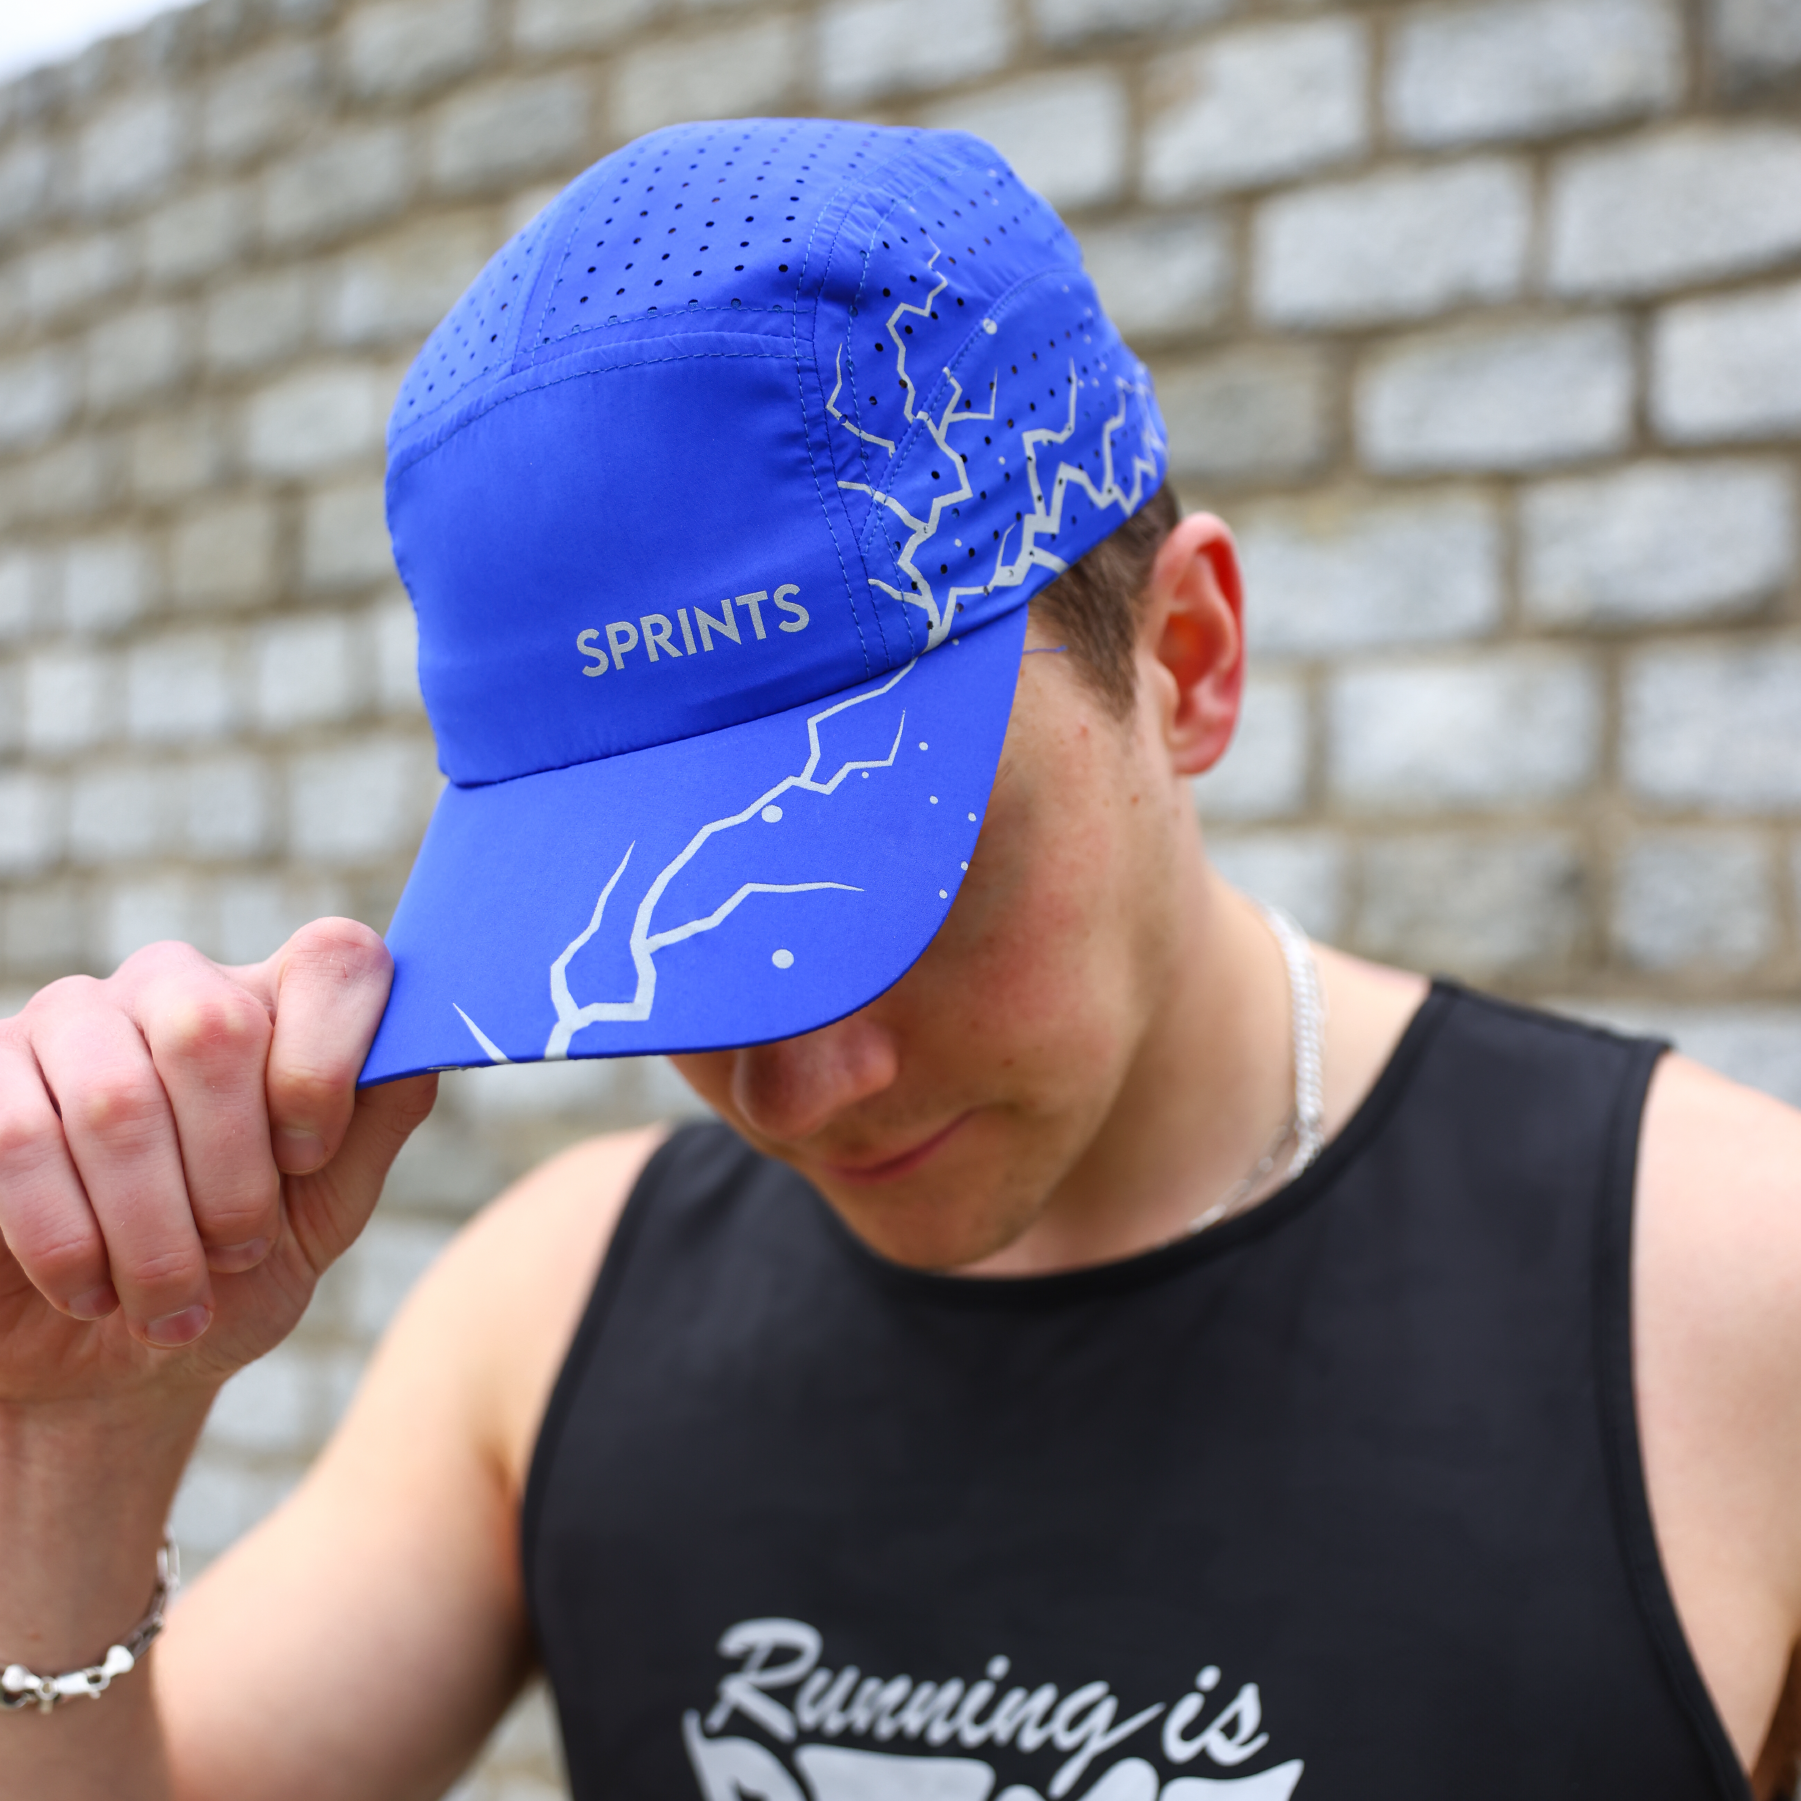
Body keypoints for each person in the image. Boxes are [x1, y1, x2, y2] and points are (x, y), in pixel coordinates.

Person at [0, 118, 1797, 1801]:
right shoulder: (550, 1316)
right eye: (680, 937)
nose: (799, 1083)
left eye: (907, 879)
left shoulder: (1724, 1304)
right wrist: (86, 1440)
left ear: (1186, 659)